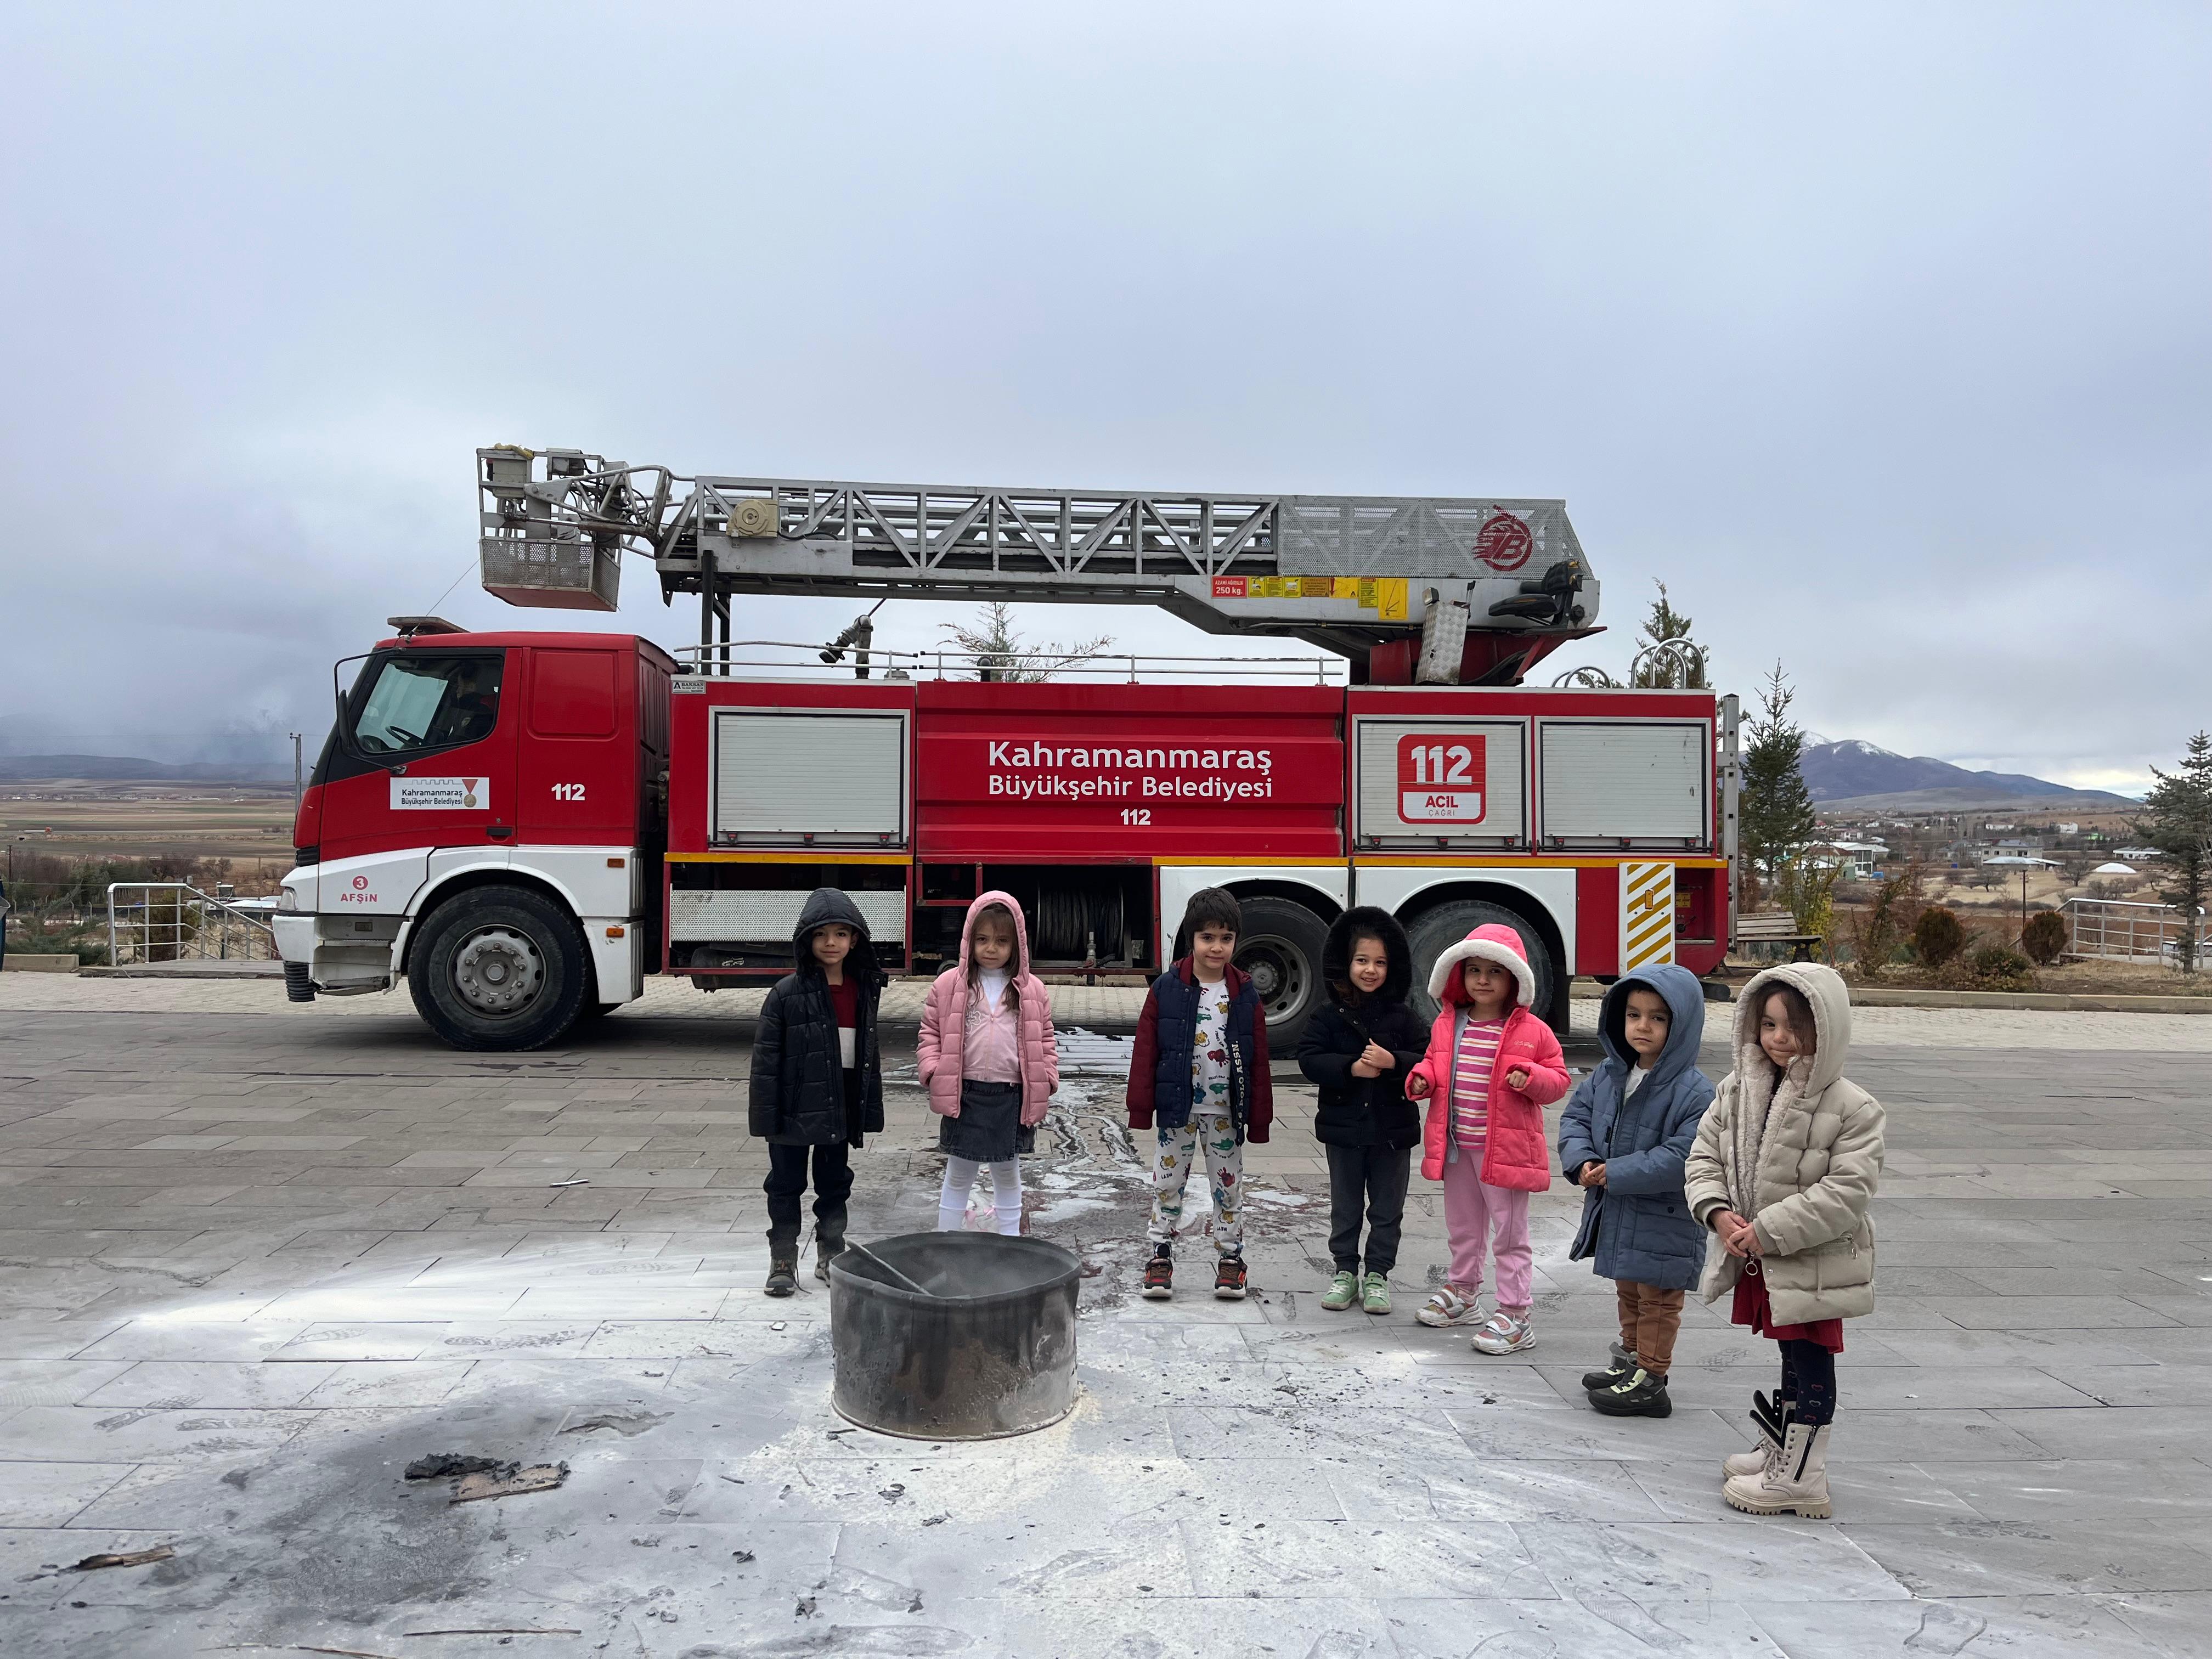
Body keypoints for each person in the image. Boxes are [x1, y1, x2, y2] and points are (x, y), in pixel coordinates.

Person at [1686, 963, 1884, 1519]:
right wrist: (1718, 1212)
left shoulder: (1853, 1106)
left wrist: (1769, 1231)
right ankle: (1782, 1448)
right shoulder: (1738, 1091)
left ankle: (1803, 1474)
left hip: (1813, 1257)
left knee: (1812, 1356)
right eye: (1768, 1024)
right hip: (1760, 1254)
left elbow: (1848, 1191)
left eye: (1793, 1027)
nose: (1777, 1038)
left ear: (1826, 1030)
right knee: (1789, 1354)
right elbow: (1704, 1155)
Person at [1557, 967, 1716, 1418]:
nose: (1642, 1027)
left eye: (1658, 1018)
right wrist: (1583, 1160)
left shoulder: (1695, 1093)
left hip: (1665, 1216)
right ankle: (1630, 1361)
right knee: (1630, 1289)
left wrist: (1616, 1172)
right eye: (1633, 1015)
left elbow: (1684, 1156)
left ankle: (1652, 1377)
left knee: (1659, 1299)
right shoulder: (1610, 1074)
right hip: (1621, 1208)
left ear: (1682, 1026)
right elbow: (1576, 1119)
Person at [1404, 923, 1570, 1353]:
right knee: (1464, 1227)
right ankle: (1464, 1292)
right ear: (1459, 975)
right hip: (1459, 1147)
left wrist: (1531, 1077)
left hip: (1506, 1153)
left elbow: (1558, 1080)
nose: (1482, 979)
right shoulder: (1448, 1024)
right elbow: (1433, 1064)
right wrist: (1422, 1078)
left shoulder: (1532, 1030)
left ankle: (1517, 1315)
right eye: (1474, 969)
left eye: (1495, 972)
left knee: (1510, 1235)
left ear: (1515, 979)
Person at [1127, 887, 1273, 1301]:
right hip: (1178, 1111)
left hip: (1225, 1112)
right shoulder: (1167, 989)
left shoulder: (1244, 993)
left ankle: (1231, 1260)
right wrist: (1141, 1110)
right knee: (1167, 1183)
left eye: (1226, 938)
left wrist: (1258, 1119)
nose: (1217, 947)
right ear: (1191, 938)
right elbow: (1145, 1052)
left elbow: (1259, 1060)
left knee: (1228, 1188)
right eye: (1208, 937)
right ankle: (1160, 1255)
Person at [748, 888, 885, 1296]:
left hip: (838, 1105)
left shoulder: (863, 990)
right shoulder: (786, 994)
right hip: (793, 1108)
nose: (831, 943)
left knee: (835, 1181)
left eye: (841, 934)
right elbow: (766, 1061)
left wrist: (867, 1110)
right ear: (806, 938)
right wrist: (766, 1117)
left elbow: (866, 1057)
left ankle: (831, 1253)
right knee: (785, 1183)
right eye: (822, 934)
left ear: (855, 940)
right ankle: (783, 1259)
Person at [1297, 907, 1426, 1314]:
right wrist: (1349, 1068)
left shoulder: (1404, 1017)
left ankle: (1378, 1275)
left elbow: (1428, 1056)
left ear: (1394, 967)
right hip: (1345, 1130)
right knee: (1346, 1205)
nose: (1371, 970)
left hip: (1392, 1131)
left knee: (1388, 1207)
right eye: (1362, 961)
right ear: (1345, 963)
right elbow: (1309, 1058)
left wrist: (1396, 1063)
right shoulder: (1327, 1015)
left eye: (1380, 963)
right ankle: (1345, 1270)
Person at [918, 891, 1060, 1236]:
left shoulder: (1032, 990)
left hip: (1010, 1097)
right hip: (964, 1093)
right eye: (982, 939)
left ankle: (1010, 1244)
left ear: (1018, 944)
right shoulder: (949, 985)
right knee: (958, 1173)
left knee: (1008, 1174)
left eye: (1001, 941)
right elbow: (930, 1032)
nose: (991, 948)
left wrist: (1048, 1076)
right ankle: (947, 1243)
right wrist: (933, 1070)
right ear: (969, 939)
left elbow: (1045, 1037)